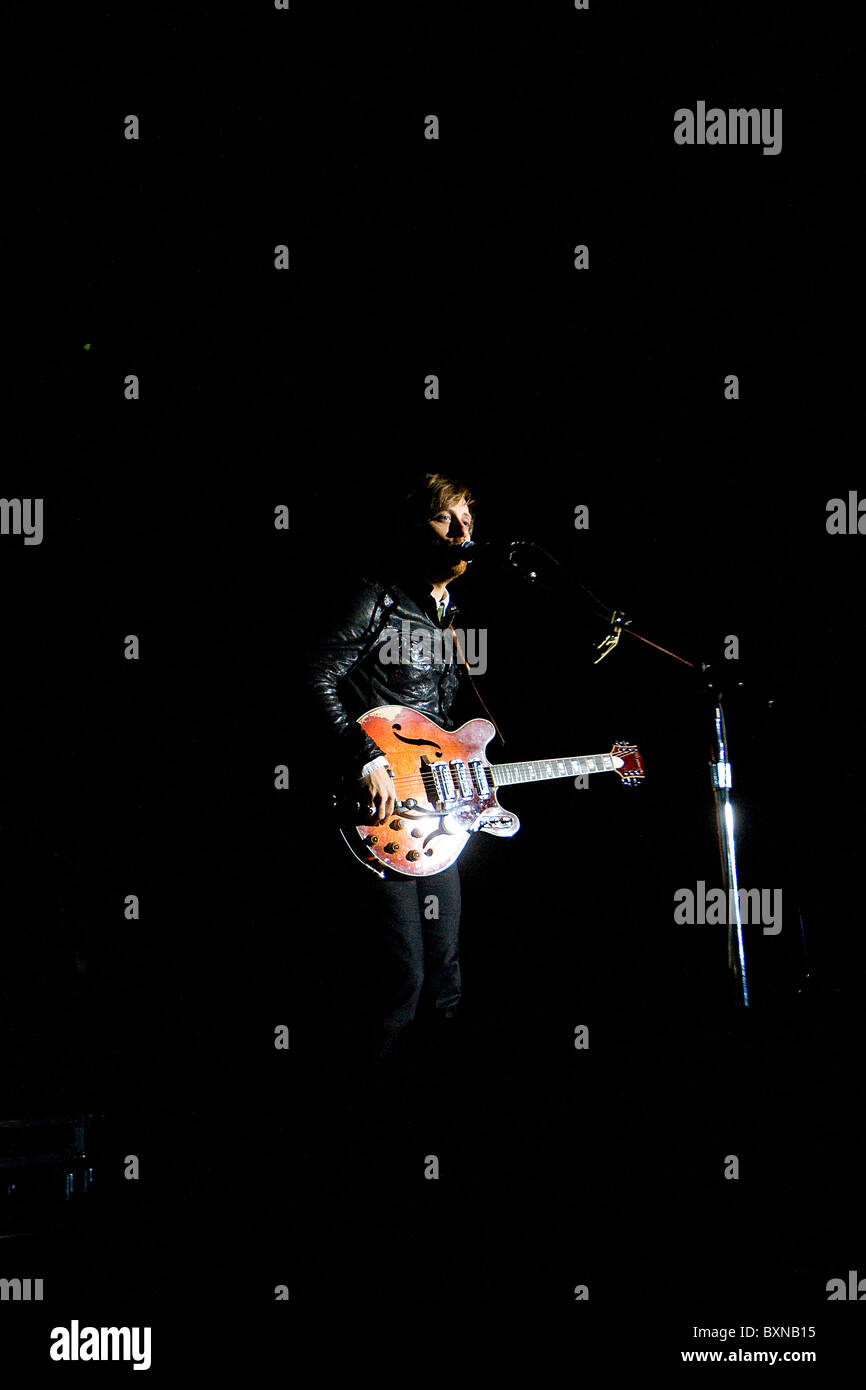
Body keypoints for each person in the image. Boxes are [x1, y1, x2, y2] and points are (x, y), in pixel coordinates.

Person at [306, 473, 486, 1077]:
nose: (462, 534)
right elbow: (312, 678)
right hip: (377, 817)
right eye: (446, 520)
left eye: (468, 521)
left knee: (446, 975)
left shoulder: (447, 618)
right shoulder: (373, 597)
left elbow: (437, 722)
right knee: (399, 979)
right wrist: (363, 756)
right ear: (415, 528)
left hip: (433, 818)